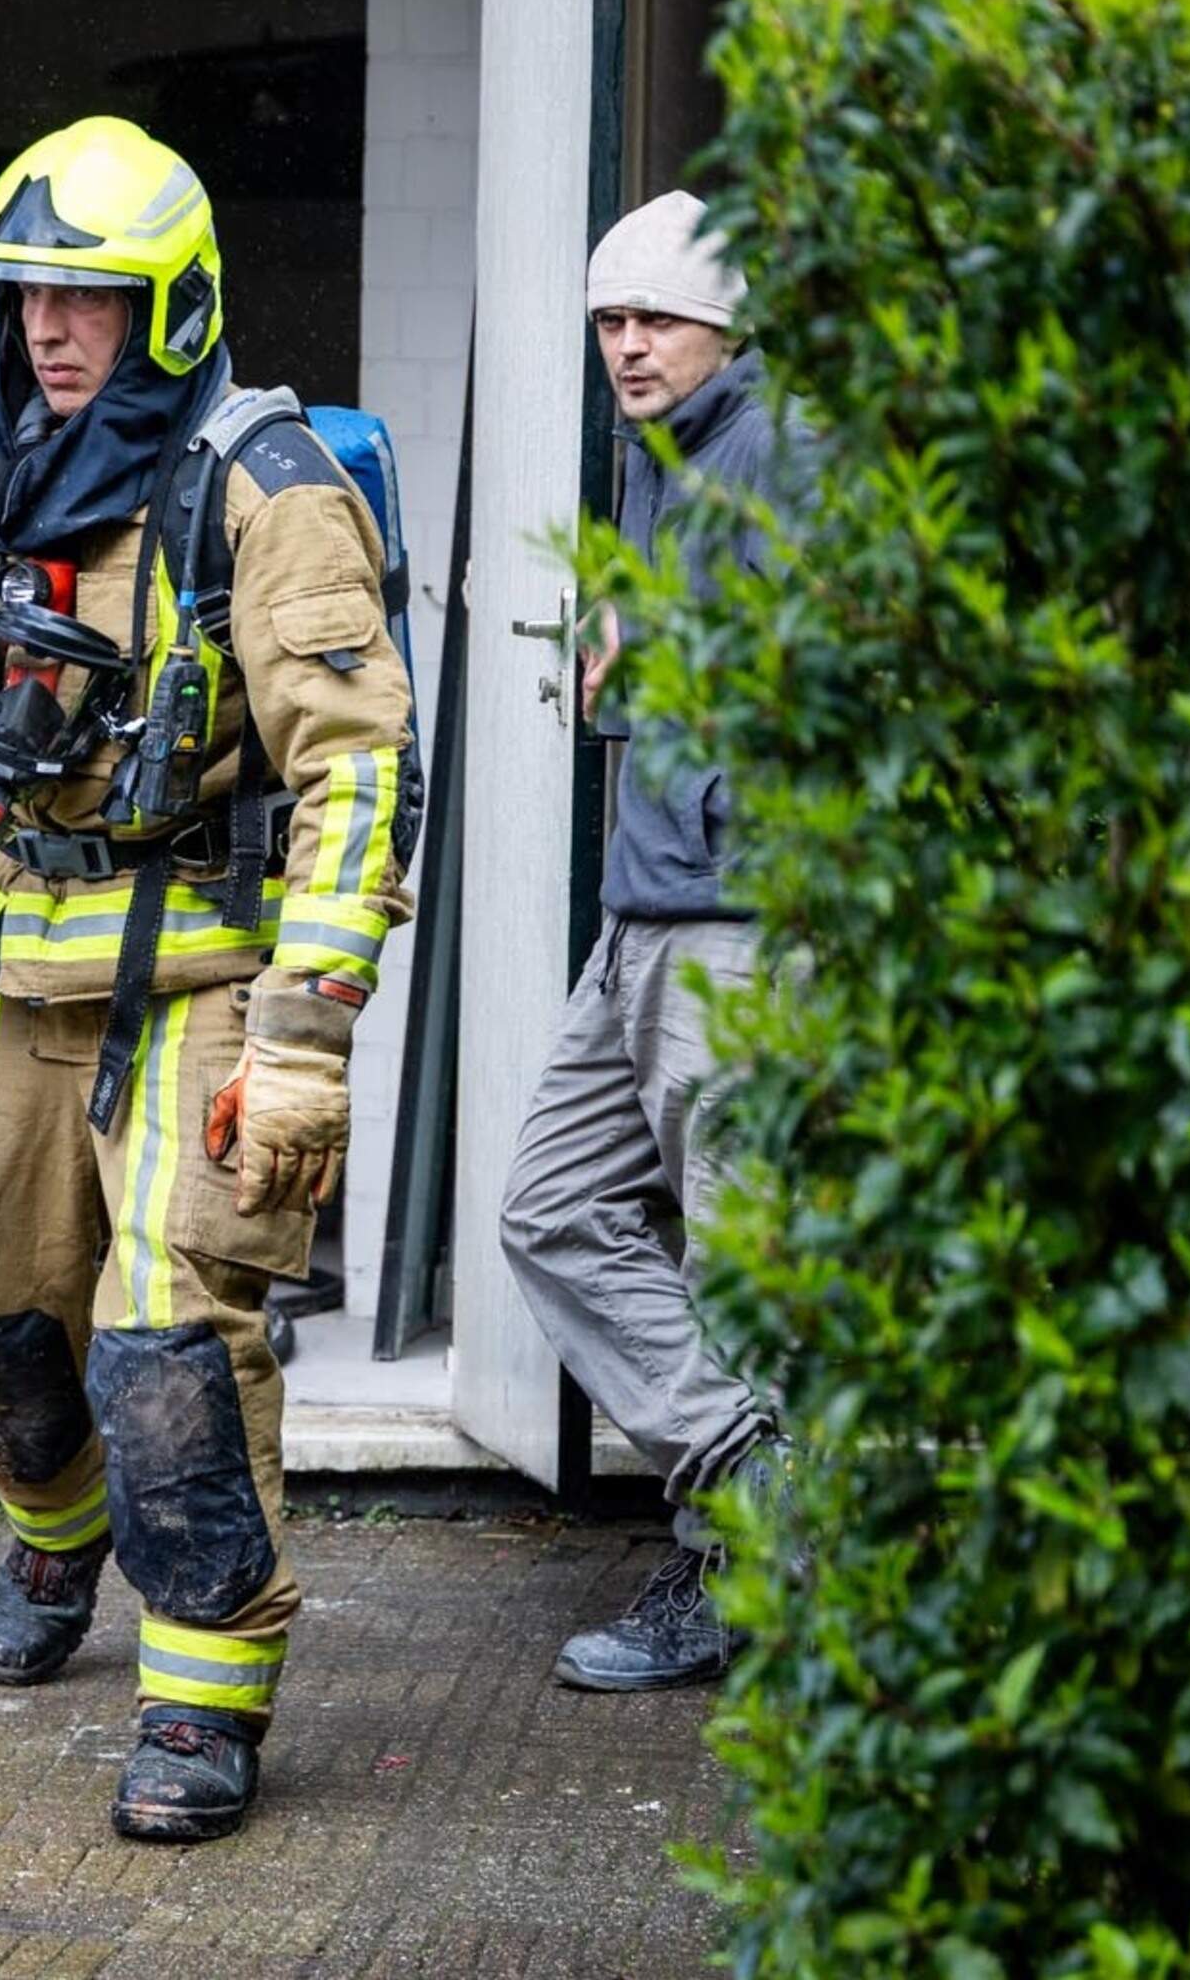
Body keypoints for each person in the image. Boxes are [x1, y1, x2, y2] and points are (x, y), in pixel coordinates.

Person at [0, 115, 416, 1840]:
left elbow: (357, 767)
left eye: (91, 298)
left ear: (172, 306)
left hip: (199, 973)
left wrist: (307, 1035)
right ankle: (62, 1540)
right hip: (17, 962)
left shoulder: (260, 492)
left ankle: (205, 1696)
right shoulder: (4, 469)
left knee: (169, 1349)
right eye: (29, 294)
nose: (52, 329)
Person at [499, 188, 804, 1694]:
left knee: (746, 1260)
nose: (626, 346)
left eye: (655, 319)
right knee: (551, 1208)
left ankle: (740, 1583)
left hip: (741, 924)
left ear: (726, 325)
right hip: (642, 908)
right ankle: (764, 1484)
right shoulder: (655, 457)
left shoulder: (785, 452)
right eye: (610, 321)